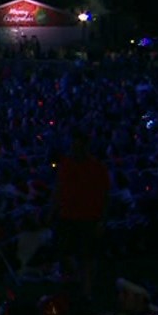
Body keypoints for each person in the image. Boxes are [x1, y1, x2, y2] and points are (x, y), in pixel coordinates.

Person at [54, 128, 110, 300]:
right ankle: (76, 284)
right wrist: (53, 209)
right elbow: (59, 189)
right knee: (66, 254)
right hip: (68, 216)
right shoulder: (65, 165)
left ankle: (86, 291)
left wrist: (102, 220)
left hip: (89, 217)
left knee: (88, 256)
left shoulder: (97, 167)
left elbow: (105, 195)